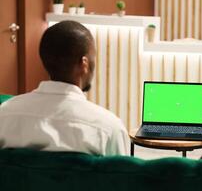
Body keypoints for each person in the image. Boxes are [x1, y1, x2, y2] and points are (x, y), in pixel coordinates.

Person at [0, 21, 129, 156]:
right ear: (84, 63)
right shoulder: (109, 129)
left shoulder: (4, 115)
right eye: (93, 58)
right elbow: (123, 176)